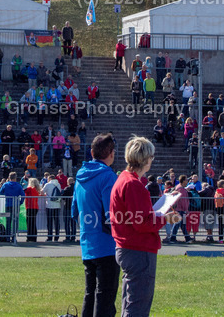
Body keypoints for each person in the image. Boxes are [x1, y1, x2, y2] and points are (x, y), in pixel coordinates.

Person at [110, 136, 180, 317]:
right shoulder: (134, 184)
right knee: (137, 307)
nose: (152, 160)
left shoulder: (124, 179)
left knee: (131, 302)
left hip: (128, 248)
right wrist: (167, 219)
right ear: (145, 158)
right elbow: (142, 223)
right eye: (151, 156)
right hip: (138, 250)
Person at [73, 133, 121, 317]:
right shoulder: (108, 176)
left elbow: (74, 210)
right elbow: (112, 214)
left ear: (92, 152)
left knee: (90, 294)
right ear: (110, 153)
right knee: (105, 298)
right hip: (106, 245)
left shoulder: (79, 176)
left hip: (87, 244)